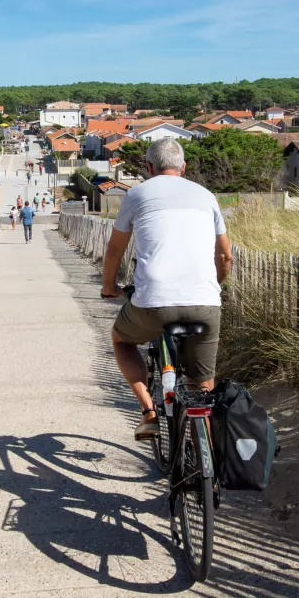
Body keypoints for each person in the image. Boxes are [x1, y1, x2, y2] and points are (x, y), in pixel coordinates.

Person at [100, 139, 233, 440]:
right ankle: (210, 472)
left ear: (149, 168)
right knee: (203, 386)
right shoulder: (206, 195)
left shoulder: (136, 194)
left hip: (154, 301)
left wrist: (109, 287)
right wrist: (215, 285)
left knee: (120, 339)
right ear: (183, 167)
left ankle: (148, 411)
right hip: (205, 301)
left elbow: (114, 250)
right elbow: (225, 256)